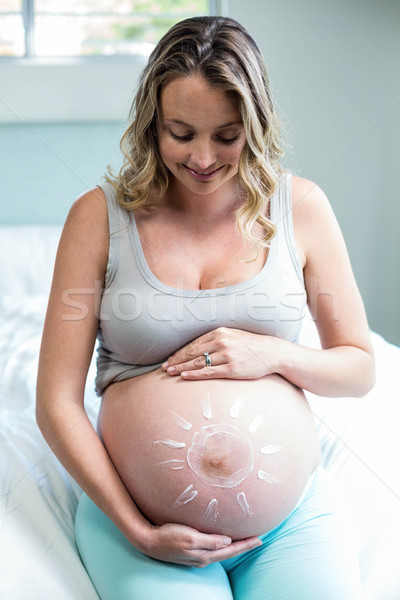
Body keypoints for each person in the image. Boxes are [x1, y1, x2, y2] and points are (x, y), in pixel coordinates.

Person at [36, 15, 375, 600]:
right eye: (180, 132)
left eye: (226, 134)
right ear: (151, 124)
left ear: (257, 124)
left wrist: (269, 353)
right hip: (139, 518)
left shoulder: (303, 209)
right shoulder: (98, 217)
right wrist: (137, 529)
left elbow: (359, 368)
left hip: (287, 520)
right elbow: (55, 403)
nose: (201, 157)